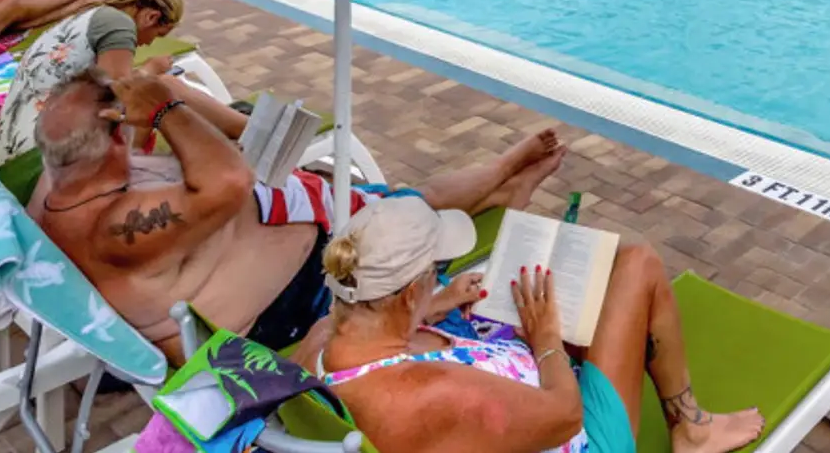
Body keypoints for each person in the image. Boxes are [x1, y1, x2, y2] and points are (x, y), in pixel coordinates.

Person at [31, 67, 564, 359]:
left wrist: (156, 94)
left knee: (392, 198)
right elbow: (231, 181)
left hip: (288, 232)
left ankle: (498, 182)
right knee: (407, 209)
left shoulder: (64, 180)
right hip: (291, 307)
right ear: (115, 136)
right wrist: (166, 108)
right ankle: (502, 178)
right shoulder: (118, 231)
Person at [309, 188, 766, 453]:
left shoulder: (321, 343)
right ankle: (691, 430)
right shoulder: (433, 391)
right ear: (407, 292)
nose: (438, 277)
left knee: (578, 290)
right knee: (637, 265)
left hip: (499, 397)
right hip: (578, 433)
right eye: (435, 272)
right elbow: (565, 418)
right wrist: (545, 339)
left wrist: (436, 306)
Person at [0, 0, 188, 170]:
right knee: (160, 95)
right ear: (152, 17)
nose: (149, 43)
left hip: (0, 151)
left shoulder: (91, 14)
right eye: (156, 35)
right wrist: (149, 71)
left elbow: (97, 82)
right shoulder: (120, 25)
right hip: (35, 159)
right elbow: (116, 97)